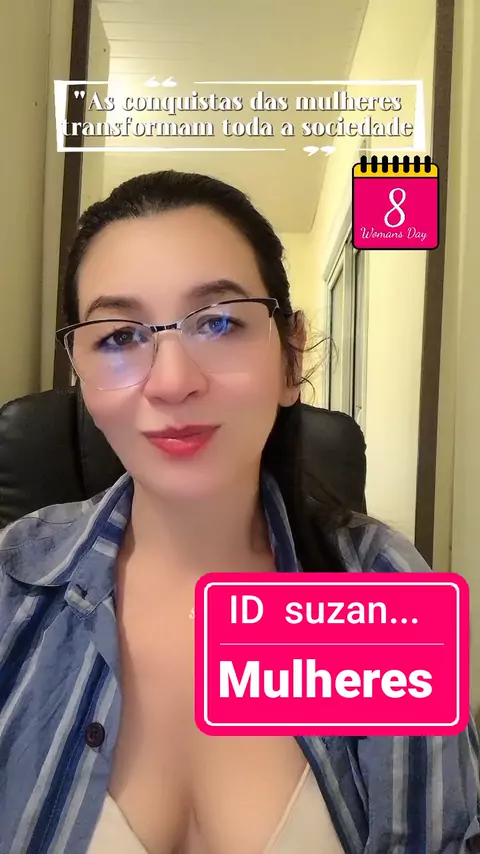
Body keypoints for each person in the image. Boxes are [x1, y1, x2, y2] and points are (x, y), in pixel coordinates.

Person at [0, 170, 478, 854]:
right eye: (119, 337)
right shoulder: (14, 587)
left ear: (290, 355)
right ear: (79, 371)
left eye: (219, 323)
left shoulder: (379, 584)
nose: (172, 382)